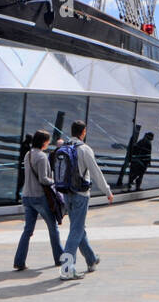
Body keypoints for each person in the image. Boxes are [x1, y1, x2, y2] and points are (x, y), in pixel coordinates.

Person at [56, 120, 113, 280]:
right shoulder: (84, 149)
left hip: (66, 193)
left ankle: (91, 259)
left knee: (78, 228)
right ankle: (67, 268)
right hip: (81, 194)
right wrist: (107, 191)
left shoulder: (64, 147)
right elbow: (95, 171)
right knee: (76, 230)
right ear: (84, 132)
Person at [13, 129, 62, 270]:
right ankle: (59, 258)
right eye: (48, 140)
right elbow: (43, 179)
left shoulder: (28, 154)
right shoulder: (41, 157)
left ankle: (19, 261)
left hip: (26, 196)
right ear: (43, 142)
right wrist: (55, 181)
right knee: (53, 228)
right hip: (39, 197)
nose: (49, 143)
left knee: (28, 230)